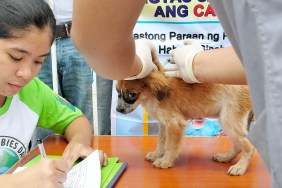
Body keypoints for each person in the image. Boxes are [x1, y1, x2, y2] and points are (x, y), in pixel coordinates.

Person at [72, 1, 282, 187]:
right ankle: (232, 151)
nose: (122, 104)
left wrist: (169, 157)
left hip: (235, 93)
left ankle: (245, 153)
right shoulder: (155, 94)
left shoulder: (161, 91)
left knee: (230, 125)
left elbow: (175, 124)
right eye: (121, 94)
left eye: (130, 96)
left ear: (149, 88)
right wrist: (158, 152)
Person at [0, 0, 107, 186]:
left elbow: (75, 119)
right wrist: (17, 182)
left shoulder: (31, 90)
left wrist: (79, 142)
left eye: (38, 61)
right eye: (16, 57)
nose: (26, 73)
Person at [31, 0, 112, 147]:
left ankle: (93, 168)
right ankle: (44, 169)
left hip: (87, 32)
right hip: (33, 34)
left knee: (95, 127)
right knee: (43, 133)